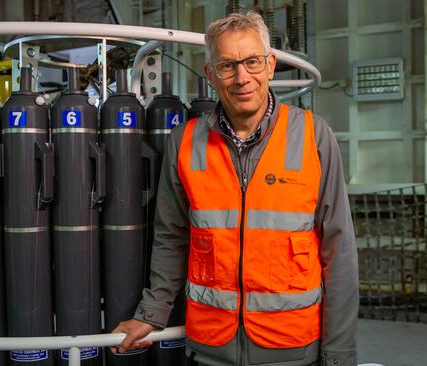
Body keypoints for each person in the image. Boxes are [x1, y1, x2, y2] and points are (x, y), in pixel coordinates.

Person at [112, 11, 359, 366]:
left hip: (291, 350)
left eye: (252, 62)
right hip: (211, 349)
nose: (242, 77)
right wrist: (151, 312)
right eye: (227, 66)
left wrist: (338, 356)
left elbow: (340, 254)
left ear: (270, 65)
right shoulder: (184, 142)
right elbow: (171, 237)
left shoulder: (313, 136)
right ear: (211, 75)